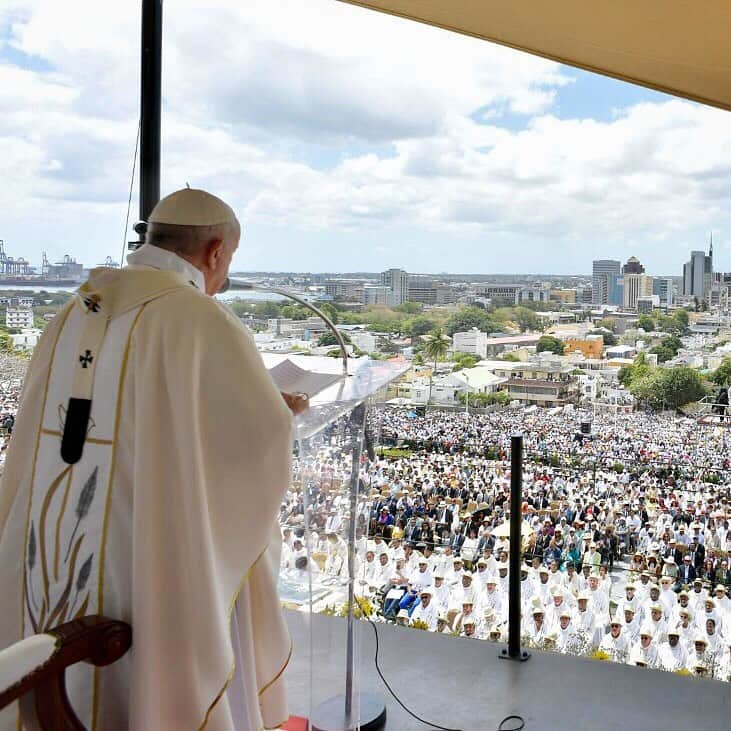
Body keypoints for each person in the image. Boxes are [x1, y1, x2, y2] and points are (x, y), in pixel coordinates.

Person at [0, 189, 305, 730]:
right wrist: (281, 411)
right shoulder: (200, 319)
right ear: (215, 252)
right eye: (227, 261)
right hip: (154, 549)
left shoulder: (74, 310)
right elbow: (251, 442)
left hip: (47, 547)